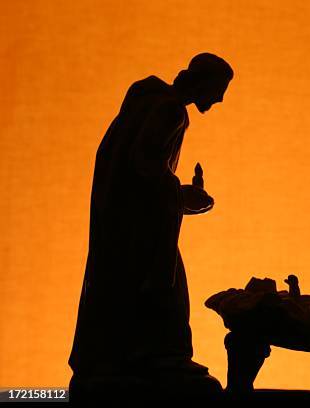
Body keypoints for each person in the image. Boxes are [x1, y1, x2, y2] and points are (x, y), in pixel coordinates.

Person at [68, 53, 233, 402]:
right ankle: (160, 358)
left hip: (125, 224)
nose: (219, 100)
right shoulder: (170, 110)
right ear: (202, 82)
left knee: (125, 291)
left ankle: (129, 356)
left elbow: (136, 174)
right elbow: (144, 167)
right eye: (219, 90)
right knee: (165, 290)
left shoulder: (147, 100)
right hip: (140, 234)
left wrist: (177, 198)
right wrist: (181, 194)